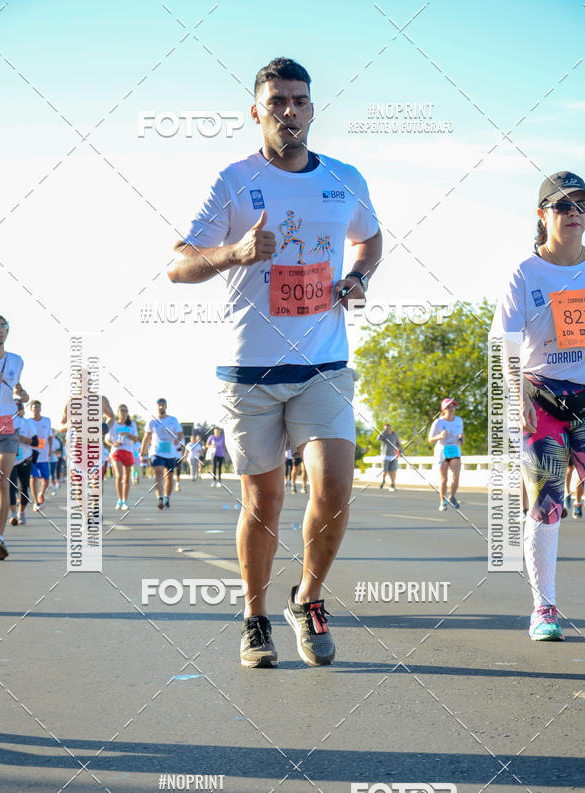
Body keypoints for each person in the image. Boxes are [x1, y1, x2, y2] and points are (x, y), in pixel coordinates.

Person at [168, 57, 382, 667]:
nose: (290, 111)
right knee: (264, 503)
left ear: (312, 108)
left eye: (300, 100)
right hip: (250, 370)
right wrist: (234, 253)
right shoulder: (233, 180)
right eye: (277, 101)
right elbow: (178, 265)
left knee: (335, 487)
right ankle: (254, 617)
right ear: (256, 111)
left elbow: (370, 238)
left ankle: (307, 599)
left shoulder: (343, 178)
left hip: (324, 364)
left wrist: (359, 276)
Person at [491, 170, 585, 642]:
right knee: (547, 503)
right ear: (542, 214)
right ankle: (544, 608)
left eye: (581, 205)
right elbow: (506, 343)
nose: (574, 213)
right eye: (563, 205)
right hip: (542, 400)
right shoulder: (525, 272)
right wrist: (517, 396)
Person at [0, 314, 29, 559]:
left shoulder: (16, 360)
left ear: (7, 331)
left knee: (1, 479)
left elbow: (18, 392)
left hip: (8, 424)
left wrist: (23, 394)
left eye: (2, 326)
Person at [140, 398, 183, 509]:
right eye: (159, 405)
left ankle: (167, 497)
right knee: (158, 473)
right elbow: (146, 438)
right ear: (156, 407)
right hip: (156, 452)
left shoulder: (173, 420)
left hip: (170, 452)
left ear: (166, 406)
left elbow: (180, 434)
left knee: (169, 476)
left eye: (163, 405)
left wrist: (178, 439)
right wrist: (142, 453)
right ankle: (160, 498)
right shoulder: (152, 421)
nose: (161, 407)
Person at [428, 399, 464, 511]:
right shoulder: (438, 422)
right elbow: (430, 439)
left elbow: (461, 434)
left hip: (455, 450)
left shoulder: (459, 420)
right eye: (448, 407)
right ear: (443, 410)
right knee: (444, 479)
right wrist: (440, 436)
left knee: (456, 477)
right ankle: (442, 502)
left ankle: (452, 497)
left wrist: (461, 438)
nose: (451, 409)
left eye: (453, 406)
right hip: (442, 451)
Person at [106, 404, 138, 510]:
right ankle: (119, 499)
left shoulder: (132, 424)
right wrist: (113, 444)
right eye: (121, 411)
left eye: (125, 411)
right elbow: (107, 439)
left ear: (127, 412)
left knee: (127, 478)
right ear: (118, 412)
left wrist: (127, 434)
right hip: (117, 451)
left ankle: (125, 501)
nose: (123, 413)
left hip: (128, 451)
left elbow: (135, 440)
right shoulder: (113, 424)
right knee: (119, 476)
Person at [8, 401, 34, 526]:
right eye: (15, 407)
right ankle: (13, 514)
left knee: (24, 488)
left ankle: (21, 512)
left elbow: (35, 442)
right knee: (11, 487)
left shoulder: (27, 423)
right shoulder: (5, 421)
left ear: (23, 410)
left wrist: (22, 439)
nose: (18, 409)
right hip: (10, 459)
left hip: (25, 459)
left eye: (20, 407)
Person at [25, 400, 53, 512]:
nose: (37, 409)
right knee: (34, 477)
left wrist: (50, 450)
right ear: (31, 409)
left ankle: (41, 494)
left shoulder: (47, 420)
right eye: (35, 407)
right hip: (31, 454)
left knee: (46, 480)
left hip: (44, 455)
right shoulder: (28, 422)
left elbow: (50, 437)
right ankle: (36, 502)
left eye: (38, 407)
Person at [378, 423, 403, 491]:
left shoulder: (394, 435)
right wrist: (383, 432)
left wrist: (401, 451)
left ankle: (393, 484)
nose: (387, 430)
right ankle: (383, 480)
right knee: (385, 471)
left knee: (393, 471)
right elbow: (378, 438)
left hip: (393, 456)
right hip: (385, 456)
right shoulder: (383, 435)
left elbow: (398, 444)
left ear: (391, 428)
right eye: (386, 429)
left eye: (388, 429)